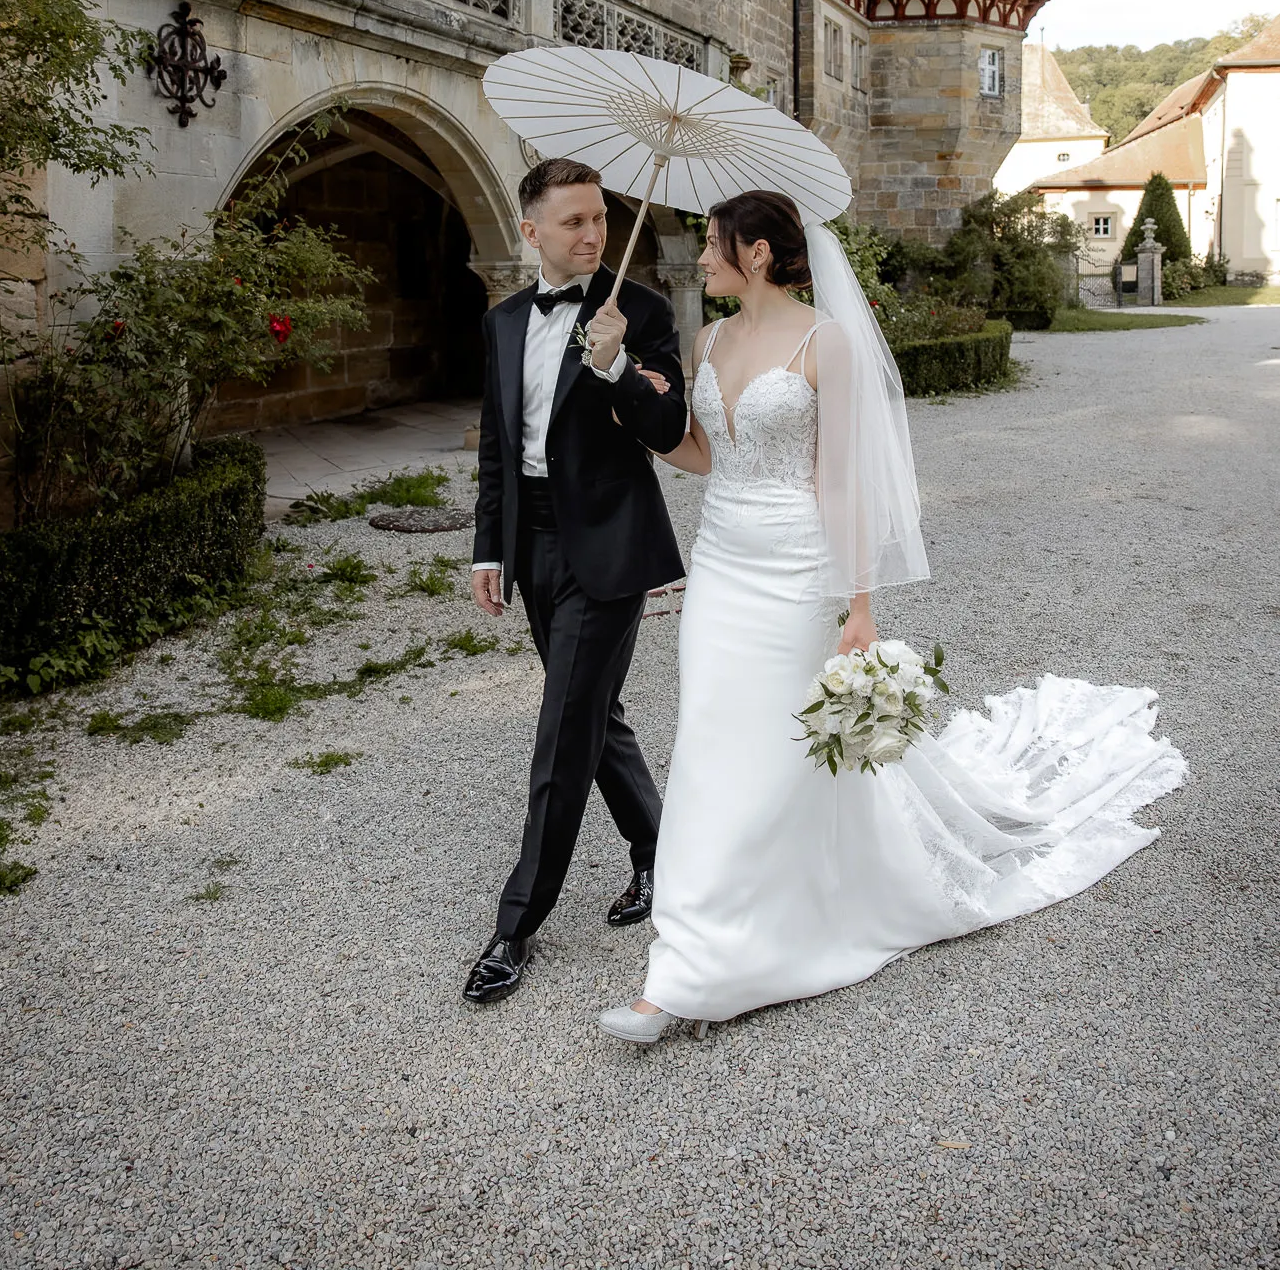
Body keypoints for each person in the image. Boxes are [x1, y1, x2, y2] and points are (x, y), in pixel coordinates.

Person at [598, 190, 1187, 1041]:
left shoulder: (822, 342)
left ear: (757, 253)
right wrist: (617, 373)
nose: (697, 260)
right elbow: (698, 452)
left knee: (772, 753)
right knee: (709, 743)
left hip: (796, 572)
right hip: (721, 566)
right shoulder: (710, 337)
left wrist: (859, 605)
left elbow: (840, 480)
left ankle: (702, 968)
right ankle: (701, 945)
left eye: (712, 244)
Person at [464, 158, 687, 1004]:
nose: (592, 235)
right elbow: (498, 442)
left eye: (598, 218)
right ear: (531, 233)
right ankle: (659, 851)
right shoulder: (504, 321)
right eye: (572, 222)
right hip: (532, 546)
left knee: (562, 732)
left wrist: (616, 365)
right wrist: (491, 550)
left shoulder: (643, 311)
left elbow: (670, 429)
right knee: (597, 713)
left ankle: (515, 925)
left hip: (609, 548)